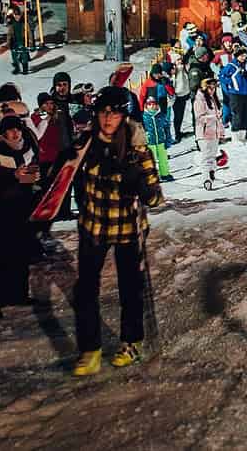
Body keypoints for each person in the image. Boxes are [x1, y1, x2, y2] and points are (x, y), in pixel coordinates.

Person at [70, 87, 163, 377]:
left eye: (114, 112)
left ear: (124, 116)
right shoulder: (86, 144)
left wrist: (140, 185)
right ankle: (90, 348)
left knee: (130, 289)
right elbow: (70, 176)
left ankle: (131, 341)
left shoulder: (137, 149)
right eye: (103, 112)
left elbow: (156, 197)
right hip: (93, 226)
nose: (107, 118)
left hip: (126, 228)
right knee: (85, 289)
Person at [0, 116, 41, 320]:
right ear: (3, 132)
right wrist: (12, 176)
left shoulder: (27, 147)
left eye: (18, 130)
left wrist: (33, 178)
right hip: (4, 208)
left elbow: (32, 171)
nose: (16, 134)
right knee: (5, 256)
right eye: (11, 130)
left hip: (24, 205)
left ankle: (19, 294)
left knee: (22, 252)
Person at [195, 77, 226, 189]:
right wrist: (214, 116)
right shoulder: (200, 100)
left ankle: (211, 174)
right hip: (204, 133)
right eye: (210, 88)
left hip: (214, 132)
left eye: (214, 88)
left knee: (212, 156)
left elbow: (219, 119)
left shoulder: (213, 99)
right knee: (206, 157)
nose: (212, 90)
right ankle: (206, 178)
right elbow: (200, 117)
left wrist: (221, 132)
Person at [219, 53, 247, 142]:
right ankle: (235, 138)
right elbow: (221, 76)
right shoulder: (231, 66)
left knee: (244, 114)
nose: (243, 58)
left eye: (245, 56)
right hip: (235, 94)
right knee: (237, 115)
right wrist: (231, 82)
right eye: (241, 56)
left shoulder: (246, 65)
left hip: (245, 93)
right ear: (237, 56)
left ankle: (242, 137)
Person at [141, 96, 173, 182]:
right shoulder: (144, 117)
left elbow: (167, 128)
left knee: (163, 159)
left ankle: (165, 174)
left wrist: (168, 139)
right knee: (151, 160)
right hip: (150, 142)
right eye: (149, 104)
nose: (152, 106)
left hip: (161, 140)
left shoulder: (161, 115)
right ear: (146, 106)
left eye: (154, 104)